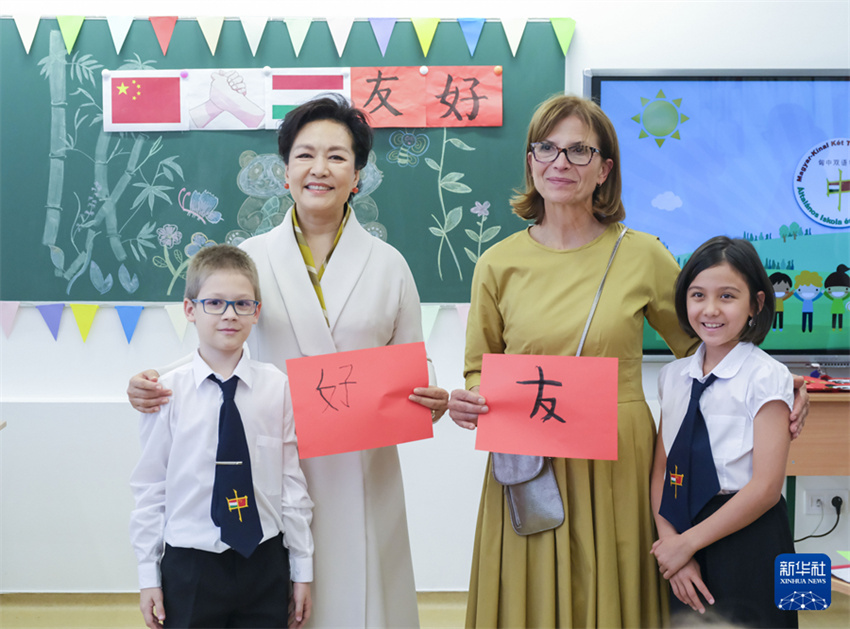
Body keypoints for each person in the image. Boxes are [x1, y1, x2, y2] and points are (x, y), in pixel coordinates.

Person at [447, 95, 808, 628]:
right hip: (529, 453)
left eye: (578, 151)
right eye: (545, 148)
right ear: (529, 161)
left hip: (619, 454)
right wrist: (472, 399)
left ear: (604, 169)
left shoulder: (641, 253)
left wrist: (778, 383)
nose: (559, 163)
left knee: (616, 588)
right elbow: (479, 364)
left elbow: (705, 344)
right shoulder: (496, 262)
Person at [128, 94, 448, 628]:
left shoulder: (390, 265)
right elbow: (218, 345)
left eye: (337, 156)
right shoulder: (250, 257)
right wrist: (151, 384)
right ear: (285, 171)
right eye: (304, 155)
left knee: (362, 605)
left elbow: (413, 361)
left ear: (359, 174)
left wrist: (430, 394)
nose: (319, 169)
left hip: (361, 466)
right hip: (268, 468)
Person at [129, 244, 313, 629]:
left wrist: (302, 568)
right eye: (215, 303)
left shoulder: (277, 388)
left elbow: (292, 482)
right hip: (189, 564)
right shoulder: (165, 392)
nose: (230, 314)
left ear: (256, 313)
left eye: (242, 304)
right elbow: (150, 487)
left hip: (264, 560)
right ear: (190, 310)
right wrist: (148, 575)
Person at [650, 236, 797, 628]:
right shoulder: (673, 376)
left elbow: (766, 487)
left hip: (748, 533)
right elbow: (662, 469)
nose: (710, 309)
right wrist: (671, 547)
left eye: (728, 296)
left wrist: (687, 543)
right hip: (682, 526)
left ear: (756, 304)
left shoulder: (767, 376)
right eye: (698, 295)